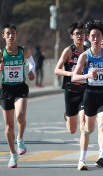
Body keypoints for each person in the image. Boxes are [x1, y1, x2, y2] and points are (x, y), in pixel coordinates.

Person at [72, 20, 103, 168]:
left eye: (99, 36)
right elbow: (74, 77)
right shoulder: (85, 56)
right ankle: (82, 160)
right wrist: (87, 76)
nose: (96, 39)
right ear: (88, 38)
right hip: (90, 94)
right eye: (93, 36)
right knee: (88, 129)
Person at [0, 23, 35, 168]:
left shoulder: (23, 50)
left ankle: (20, 139)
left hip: (20, 88)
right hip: (6, 89)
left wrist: (32, 71)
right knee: (9, 126)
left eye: (13, 33)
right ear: (3, 36)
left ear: (16, 34)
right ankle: (13, 154)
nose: (10, 36)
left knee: (20, 116)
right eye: (7, 33)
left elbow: (32, 62)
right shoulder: (1, 53)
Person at [54, 22, 88, 170]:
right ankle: (67, 116)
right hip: (71, 91)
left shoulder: (88, 52)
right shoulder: (68, 51)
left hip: (85, 91)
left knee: (83, 123)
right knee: (72, 129)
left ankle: (82, 159)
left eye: (81, 33)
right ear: (72, 36)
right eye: (76, 34)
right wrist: (71, 74)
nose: (79, 36)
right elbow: (57, 69)